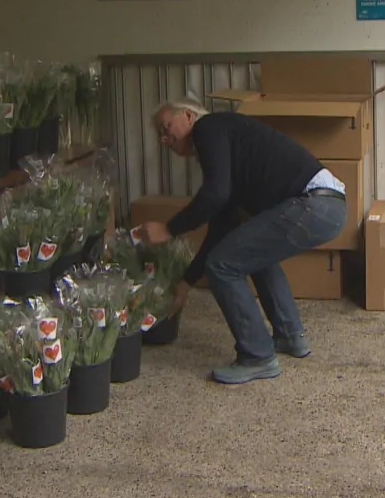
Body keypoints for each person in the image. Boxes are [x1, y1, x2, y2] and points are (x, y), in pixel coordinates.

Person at [135, 99, 347, 384]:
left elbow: (215, 195)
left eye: (166, 127)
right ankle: (290, 336)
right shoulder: (227, 152)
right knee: (247, 252)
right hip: (326, 207)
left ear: (188, 115)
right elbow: (221, 226)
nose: (163, 139)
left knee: (222, 265)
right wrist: (186, 282)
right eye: (160, 135)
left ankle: (257, 356)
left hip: (312, 205)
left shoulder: (208, 126)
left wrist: (169, 229)